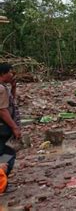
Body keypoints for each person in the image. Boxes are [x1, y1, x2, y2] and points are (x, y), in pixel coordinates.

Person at [0, 63, 21, 193]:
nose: (12, 74)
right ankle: (2, 183)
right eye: (10, 72)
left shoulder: (4, 88)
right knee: (7, 154)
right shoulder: (1, 89)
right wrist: (14, 127)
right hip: (2, 128)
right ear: (2, 74)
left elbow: (10, 102)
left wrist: (13, 87)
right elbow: (2, 110)